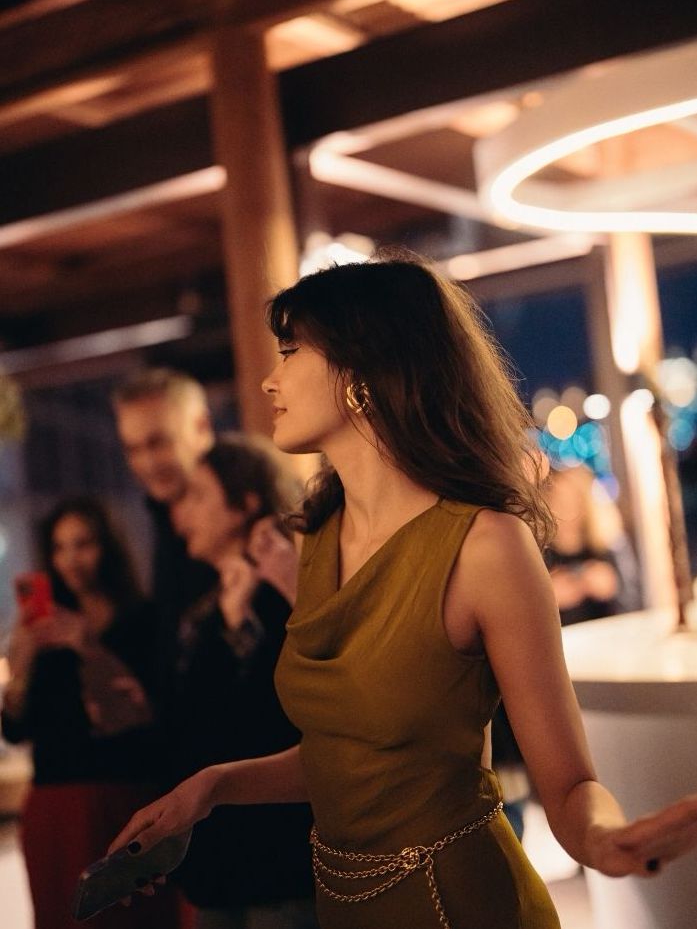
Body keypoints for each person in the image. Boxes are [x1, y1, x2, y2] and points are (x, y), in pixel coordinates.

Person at [109, 256, 697, 929]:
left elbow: (567, 783)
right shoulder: (317, 536)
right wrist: (211, 787)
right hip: (346, 904)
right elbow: (352, 759)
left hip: (461, 905)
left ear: (361, 372)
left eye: (291, 352)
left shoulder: (484, 544)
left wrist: (604, 841)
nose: (270, 379)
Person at [1, 496, 180, 929]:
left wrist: (89, 647)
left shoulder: (142, 619)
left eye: (83, 544)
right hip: (54, 800)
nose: (71, 559)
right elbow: (16, 728)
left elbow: (152, 717)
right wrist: (21, 665)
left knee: (133, 918)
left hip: (123, 796)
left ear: (107, 547)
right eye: (59, 547)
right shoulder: (40, 631)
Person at [166, 434, 316, 928]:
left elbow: (270, 720)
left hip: (277, 859)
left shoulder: (282, 590)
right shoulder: (212, 601)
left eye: (198, 495)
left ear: (245, 504)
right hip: (222, 860)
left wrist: (238, 629)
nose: (181, 513)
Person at [112, 369, 218, 718]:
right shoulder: (162, 514)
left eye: (158, 442)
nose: (147, 463)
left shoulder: (244, 513)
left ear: (201, 427)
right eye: (132, 449)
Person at [545, 465, 632, 626]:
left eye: (573, 502)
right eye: (558, 502)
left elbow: (636, 603)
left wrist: (612, 589)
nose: (566, 512)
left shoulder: (606, 548)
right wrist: (546, 600)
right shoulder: (539, 557)